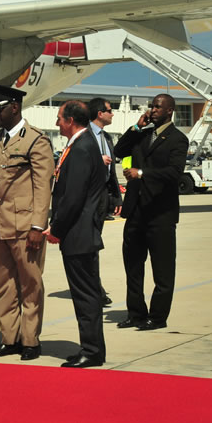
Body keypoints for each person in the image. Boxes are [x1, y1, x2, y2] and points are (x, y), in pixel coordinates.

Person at [0, 85, 54, 361]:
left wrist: (38, 226)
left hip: (25, 227)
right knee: (5, 286)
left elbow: (43, 186)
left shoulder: (36, 140)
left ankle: (31, 340)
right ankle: (9, 339)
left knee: (31, 284)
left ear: (14, 107)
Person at [113, 93, 189, 331]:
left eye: (158, 107)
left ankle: (157, 317)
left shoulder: (178, 139)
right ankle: (136, 313)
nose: (153, 110)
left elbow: (174, 173)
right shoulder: (142, 134)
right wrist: (136, 126)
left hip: (160, 213)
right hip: (136, 210)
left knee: (162, 270)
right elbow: (119, 150)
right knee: (133, 267)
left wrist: (142, 174)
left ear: (170, 111)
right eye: (151, 106)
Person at [46, 101, 106, 368]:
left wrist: (56, 229)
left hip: (79, 233)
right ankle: (90, 347)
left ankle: (92, 351)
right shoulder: (81, 144)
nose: (57, 123)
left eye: (60, 118)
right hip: (78, 232)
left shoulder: (82, 148)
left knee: (86, 295)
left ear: (71, 120)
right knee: (84, 294)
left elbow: (74, 196)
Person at [88, 97, 122, 307]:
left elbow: (113, 172)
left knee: (95, 243)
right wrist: (96, 160)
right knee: (91, 244)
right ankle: (94, 289)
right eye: (110, 111)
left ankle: (94, 287)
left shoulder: (107, 137)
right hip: (89, 197)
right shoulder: (85, 135)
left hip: (103, 196)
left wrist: (116, 196)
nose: (112, 114)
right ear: (100, 113)